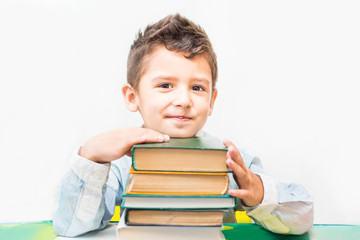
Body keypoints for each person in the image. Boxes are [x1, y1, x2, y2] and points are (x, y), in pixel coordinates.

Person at [53, 13, 314, 237]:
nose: (183, 100)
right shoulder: (122, 166)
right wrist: (91, 158)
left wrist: (256, 192)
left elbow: (302, 219)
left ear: (212, 101)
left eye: (197, 88)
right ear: (133, 97)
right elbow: (72, 227)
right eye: (165, 85)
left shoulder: (230, 163)